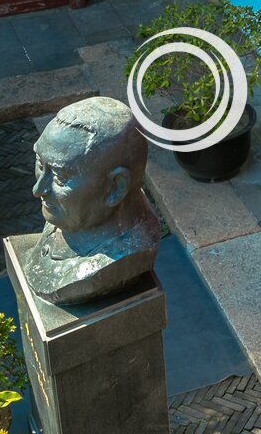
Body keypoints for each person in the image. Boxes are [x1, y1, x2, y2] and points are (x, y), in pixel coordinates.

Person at [22, 96, 159, 303]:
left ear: (115, 187)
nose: (38, 190)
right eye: (41, 164)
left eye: (59, 176)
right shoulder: (70, 213)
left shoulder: (126, 254)